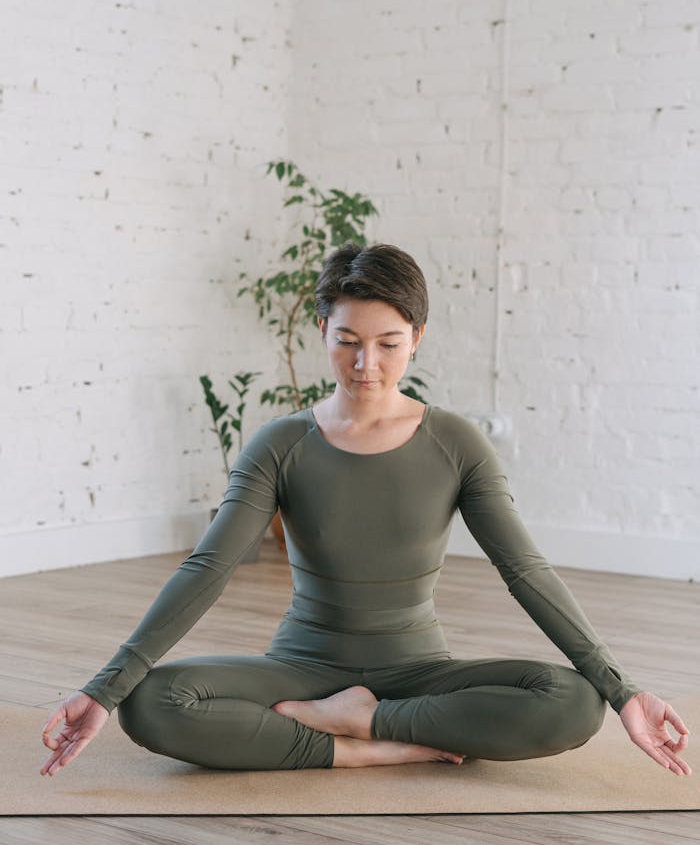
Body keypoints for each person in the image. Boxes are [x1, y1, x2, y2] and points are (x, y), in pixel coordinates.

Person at [41, 243, 692, 777]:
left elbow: (524, 570)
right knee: (151, 702)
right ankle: (356, 746)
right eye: (348, 339)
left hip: (420, 671)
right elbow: (209, 566)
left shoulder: (455, 443)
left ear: (418, 339)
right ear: (323, 330)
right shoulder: (281, 444)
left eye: (388, 342)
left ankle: (367, 721)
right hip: (300, 668)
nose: (366, 363)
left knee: (574, 702)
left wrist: (623, 690)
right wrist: (105, 687)